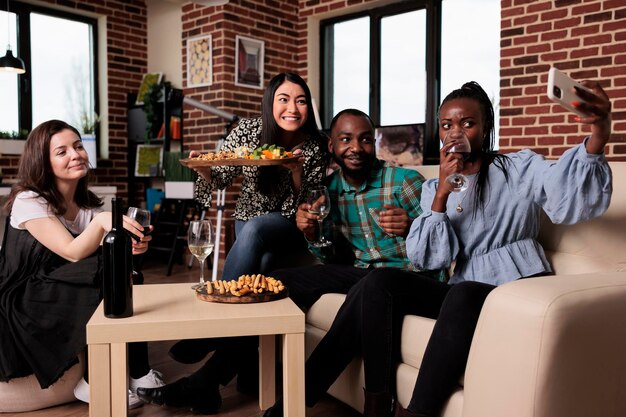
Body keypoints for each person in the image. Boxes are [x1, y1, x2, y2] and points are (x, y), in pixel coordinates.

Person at [264, 80, 613, 417]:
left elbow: (569, 197)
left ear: (486, 127)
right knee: (379, 282)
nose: (455, 133)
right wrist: (443, 193)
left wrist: (598, 133)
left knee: (461, 294)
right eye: (446, 125)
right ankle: (377, 407)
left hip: (512, 287)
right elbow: (428, 257)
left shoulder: (518, 167)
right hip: (460, 289)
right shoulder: (434, 188)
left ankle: (417, 413)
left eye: (467, 123)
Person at [136, 108, 441, 414]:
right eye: (345, 139)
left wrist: (415, 226)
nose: (356, 148)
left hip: (408, 279)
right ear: (332, 147)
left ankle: (217, 362)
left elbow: (443, 246)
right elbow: (329, 253)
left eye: (364, 139)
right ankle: (208, 376)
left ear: (373, 143)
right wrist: (310, 233)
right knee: (279, 281)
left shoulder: (405, 181)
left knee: (371, 282)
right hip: (362, 275)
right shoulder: (329, 190)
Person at [137, 72, 328, 414]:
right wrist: (203, 167)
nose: (292, 108)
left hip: (289, 225)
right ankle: (207, 385)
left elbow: (311, 203)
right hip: (251, 228)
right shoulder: (249, 131)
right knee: (263, 269)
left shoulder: (315, 144)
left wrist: (296, 170)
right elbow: (219, 176)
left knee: (256, 230)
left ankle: (213, 325)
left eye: (300, 100)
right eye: (284, 99)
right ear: (271, 102)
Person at [0, 120, 165, 408]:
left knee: (124, 270)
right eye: (61, 151)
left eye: (77, 146)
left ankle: (138, 372)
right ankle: (93, 381)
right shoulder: (29, 199)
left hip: (53, 285)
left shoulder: (87, 204)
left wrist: (134, 247)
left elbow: (106, 255)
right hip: (22, 295)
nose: (75, 154)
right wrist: (104, 224)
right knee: (105, 270)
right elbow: (73, 252)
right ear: (43, 161)